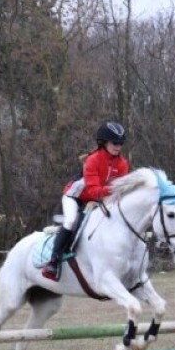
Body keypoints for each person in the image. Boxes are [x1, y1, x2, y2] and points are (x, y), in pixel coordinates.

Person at [42, 120, 131, 280]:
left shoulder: (123, 164)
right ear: (103, 142)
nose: (118, 146)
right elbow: (94, 190)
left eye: (120, 143)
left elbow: (119, 193)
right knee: (71, 220)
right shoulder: (93, 160)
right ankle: (53, 262)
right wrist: (116, 190)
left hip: (98, 199)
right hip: (75, 197)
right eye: (114, 142)